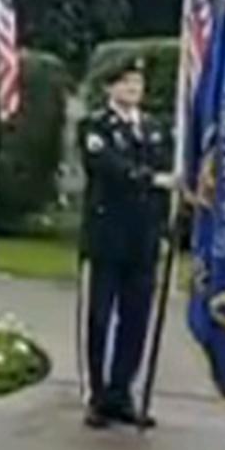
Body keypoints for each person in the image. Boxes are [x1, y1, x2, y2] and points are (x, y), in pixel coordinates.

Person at [80, 54, 174, 429]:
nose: (133, 90)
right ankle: (97, 396)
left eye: (137, 84)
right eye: (125, 84)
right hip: (108, 239)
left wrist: (166, 223)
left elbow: (168, 170)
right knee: (101, 319)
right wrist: (151, 179)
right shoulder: (96, 127)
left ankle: (122, 392)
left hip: (144, 239)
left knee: (136, 320)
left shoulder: (154, 128)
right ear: (110, 88)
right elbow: (109, 168)